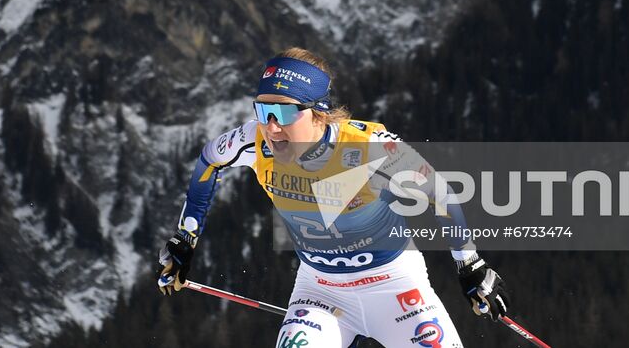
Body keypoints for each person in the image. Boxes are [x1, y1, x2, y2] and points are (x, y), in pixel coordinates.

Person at [156, 47, 510, 348]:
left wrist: (470, 266)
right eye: (263, 112)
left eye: (283, 113)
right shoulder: (254, 142)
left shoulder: (370, 147)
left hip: (395, 287)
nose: (271, 127)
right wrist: (184, 239)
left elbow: (440, 193)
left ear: (318, 111)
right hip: (320, 292)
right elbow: (209, 161)